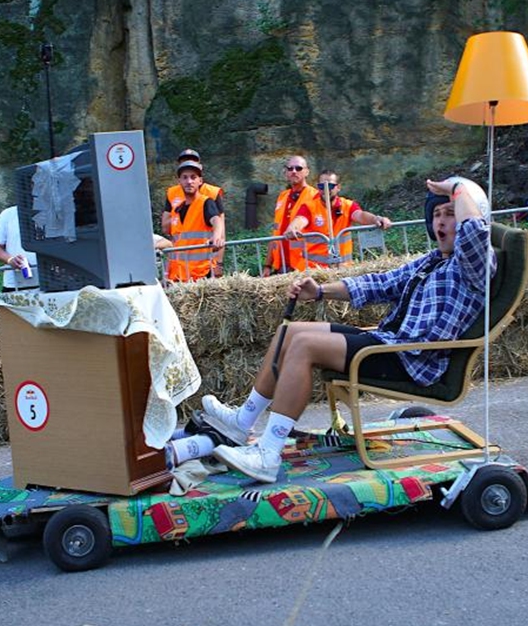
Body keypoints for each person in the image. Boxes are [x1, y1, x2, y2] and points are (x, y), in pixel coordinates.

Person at [204, 177, 495, 482]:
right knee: (290, 333)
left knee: (304, 345)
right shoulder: (432, 262)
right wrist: (319, 292)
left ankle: (267, 453)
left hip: (412, 359)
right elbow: (380, 283)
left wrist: (457, 187)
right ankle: (242, 422)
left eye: (450, 213)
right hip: (388, 342)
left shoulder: (473, 266)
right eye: (436, 214)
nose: (441, 221)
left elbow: (474, 232)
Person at [159, 158, 226, 282]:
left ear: (200, 181)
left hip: (201, 275)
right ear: (179, 181)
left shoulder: (206, 202)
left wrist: (217, 237)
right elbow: (175, 238)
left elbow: (216, 220)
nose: (189, 181)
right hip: (178, 276)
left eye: (193, 177)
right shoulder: (177, 209)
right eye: (184, 177)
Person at [306, 170, 393, 266]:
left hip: (344, 268)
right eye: (322, 186)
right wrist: (293, 229)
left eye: (330, 186)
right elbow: (300, 220)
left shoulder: (347, 205)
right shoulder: (309, 206)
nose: (326, 190)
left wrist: (376, 219)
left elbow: (360, 215)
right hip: (316, 270)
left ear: (338, 187)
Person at [267, 155, 321, 274]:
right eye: (290, 169)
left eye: (298, 168)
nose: (294, 172)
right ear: (285, 172)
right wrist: (267, 265)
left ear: (307, 172)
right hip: (281, 264)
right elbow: (276, 232)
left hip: (304, 266)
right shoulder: (283, 196)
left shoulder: (315, 196)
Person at [0, 205, 37, 292]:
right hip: (15, 284)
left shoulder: (56, 213)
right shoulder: (8, 214)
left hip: (52, 283)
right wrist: (10, 260)